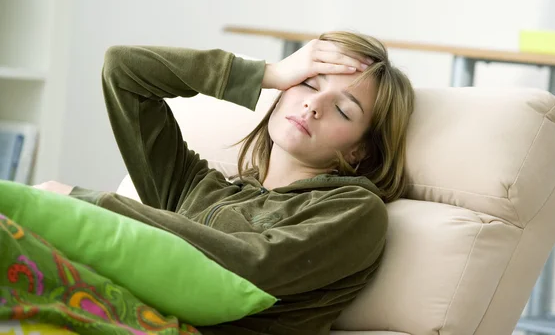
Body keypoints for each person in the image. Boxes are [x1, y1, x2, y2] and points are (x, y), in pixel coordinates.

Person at [34, 31, 415, 335]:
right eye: (310, 85)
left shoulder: (354, 210)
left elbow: (251, 265)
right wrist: (267, 73)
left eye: (343, 110)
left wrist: (87, 205)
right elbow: (123, 70)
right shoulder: (195, 186)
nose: (313, 106)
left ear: (358, 152)